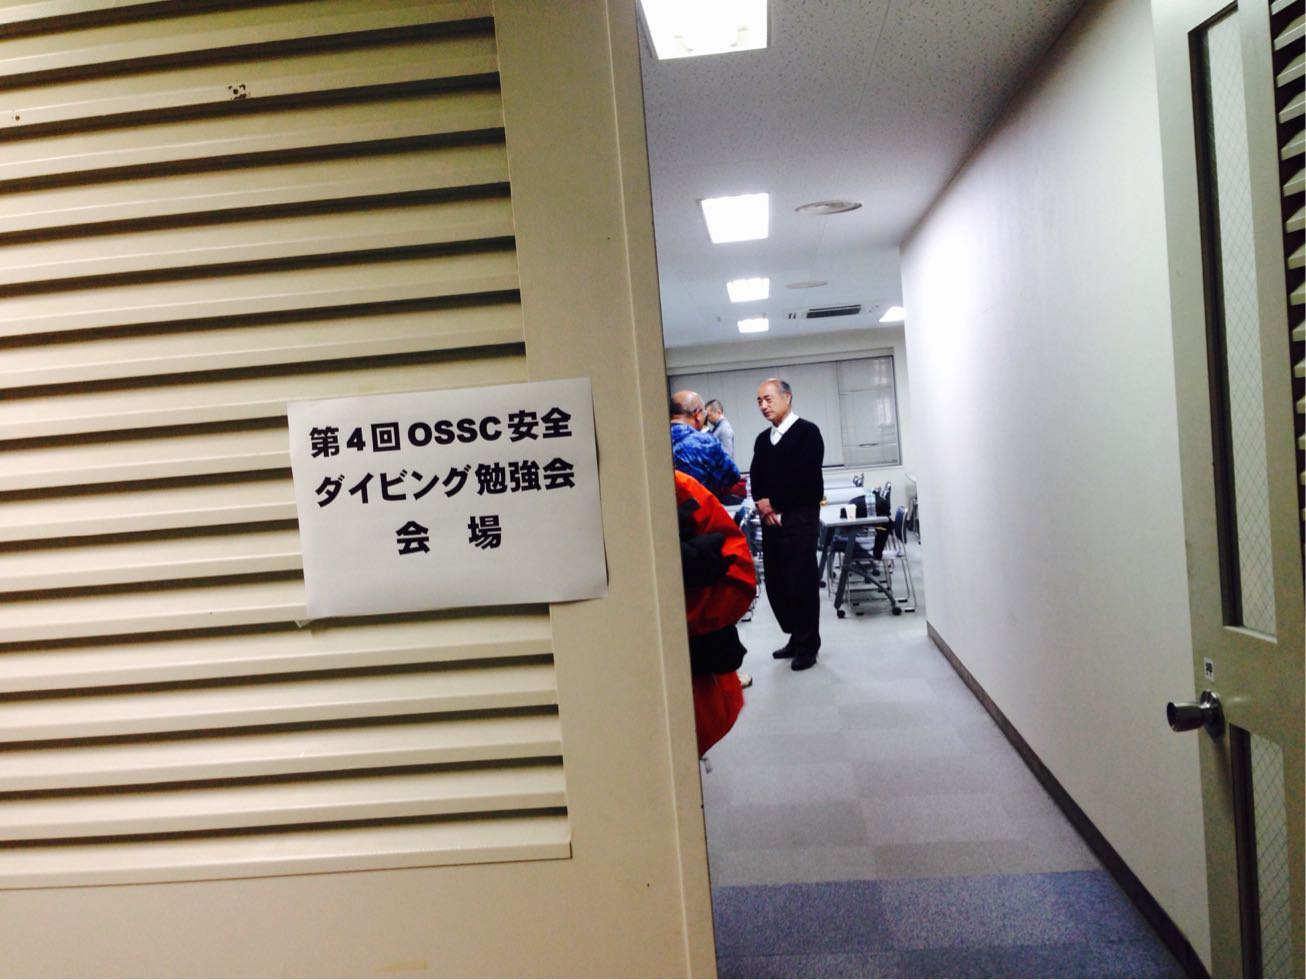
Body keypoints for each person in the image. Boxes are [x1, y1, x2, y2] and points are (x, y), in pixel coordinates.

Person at [675, 470, 756, 755]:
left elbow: (739, 577)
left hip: (689, 676)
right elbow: (728, 473)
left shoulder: (671, 486)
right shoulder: (677, 483)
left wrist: (671, 620)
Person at [749, 378, 824, 671]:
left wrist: (774, 502)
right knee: (777, 582)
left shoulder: (807, 433)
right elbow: (756, 477)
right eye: (759, 401)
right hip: (771, 522)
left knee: (801, 582)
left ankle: (808, 645)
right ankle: (795, 636)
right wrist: (762, 503)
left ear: (787, 397)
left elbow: (808, 482)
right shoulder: (762, 440)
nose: (763, 406)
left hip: (800, 519)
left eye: (768, 399)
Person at [669, 390, 740, 501]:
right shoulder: (706, 442)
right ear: (697, 414)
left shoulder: (653, 443)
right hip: (700, 508)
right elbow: (732, 476)